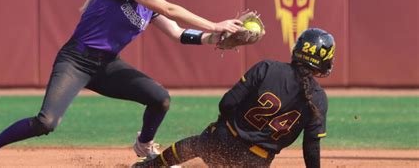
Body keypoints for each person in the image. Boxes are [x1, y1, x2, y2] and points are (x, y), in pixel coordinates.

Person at [0, 0, 242, 168]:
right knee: (46, 122)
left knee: (160, 98)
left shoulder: (145, 4)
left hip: (107, 66)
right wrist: (215, 23)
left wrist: (213, 38)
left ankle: (144, 144)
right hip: (76, 60)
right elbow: (170, 9)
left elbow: (177, 33)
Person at [133, 28, 336, 168]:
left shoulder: (267, 68)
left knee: (194, 144)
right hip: (256, 162)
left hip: (220, 143)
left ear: (298, 49)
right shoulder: (318, 99)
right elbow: (311, 147)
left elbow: (227, 103)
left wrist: (224, 129)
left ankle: (152, 165)